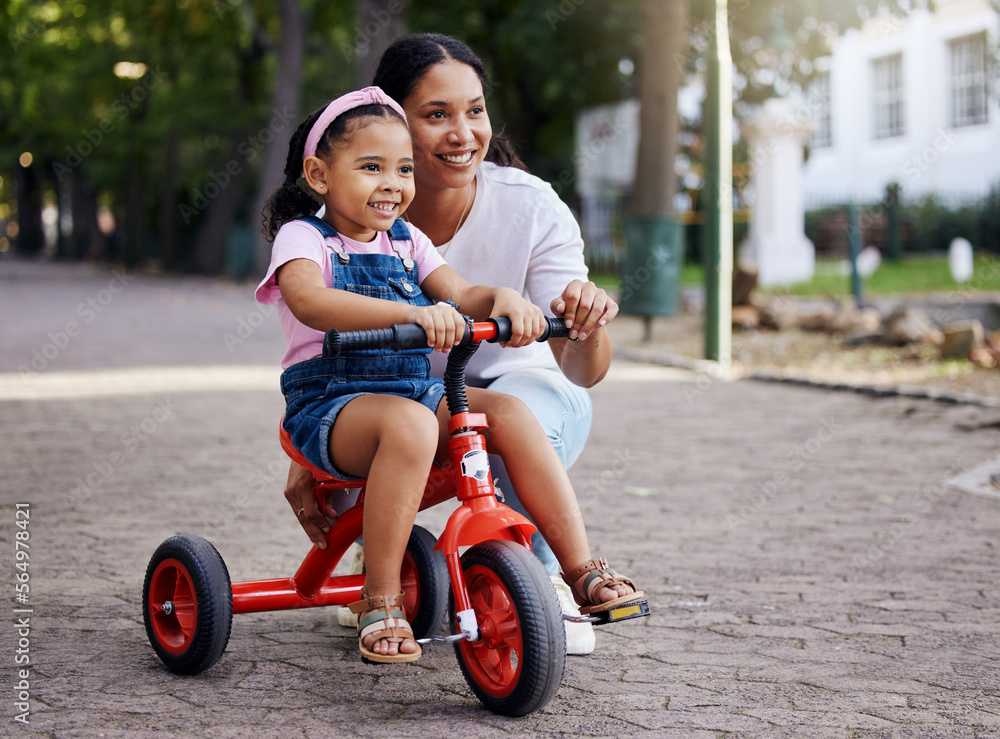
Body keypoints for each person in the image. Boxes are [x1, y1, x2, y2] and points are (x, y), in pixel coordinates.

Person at [256, 87, 643, 664]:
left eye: (404, 169)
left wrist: (505, 301)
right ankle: (381, 600)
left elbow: (462, 293)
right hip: (333, 402)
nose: (392, 183)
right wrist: (412, 314)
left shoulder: (408, 240)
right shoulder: (305, 238)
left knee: (506, 413)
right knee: (411, 427)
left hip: (411, 390)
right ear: (318, 175)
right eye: (371, 168)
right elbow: (310, 301)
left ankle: (576, 567)